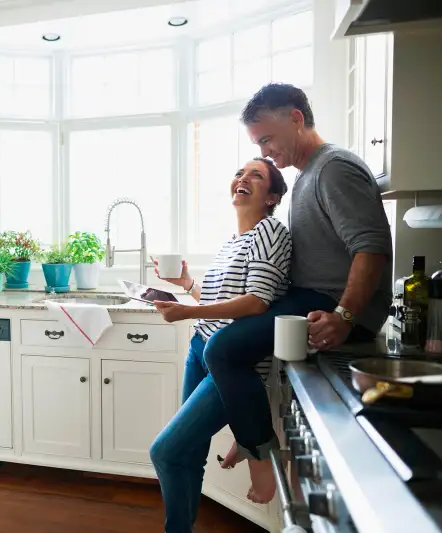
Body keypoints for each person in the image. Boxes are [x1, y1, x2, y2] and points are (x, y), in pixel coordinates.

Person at [156, 83, 393, 516]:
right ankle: (250, 448)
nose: (264, 152)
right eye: (256, 144)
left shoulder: (334, 167)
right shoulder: (309, 175)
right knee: (218, 362)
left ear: (296, 119)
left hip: (325, 302)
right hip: (309, 297)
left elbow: (371, 246)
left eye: (266, 139)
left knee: (224, 348)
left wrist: (344, 314)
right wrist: (192, 288)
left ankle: (258, 455)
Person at [148, 156, 291, 533]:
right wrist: (188, 285)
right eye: (239, 173)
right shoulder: (234, 241)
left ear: (272, 196)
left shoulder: (270, 232)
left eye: (255, 176)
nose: (242, 179)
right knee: (188, 452)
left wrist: (186, 312)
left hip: (230, 364)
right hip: (202, 349)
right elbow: (222, 299)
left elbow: (256, 301)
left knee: (165, 451)